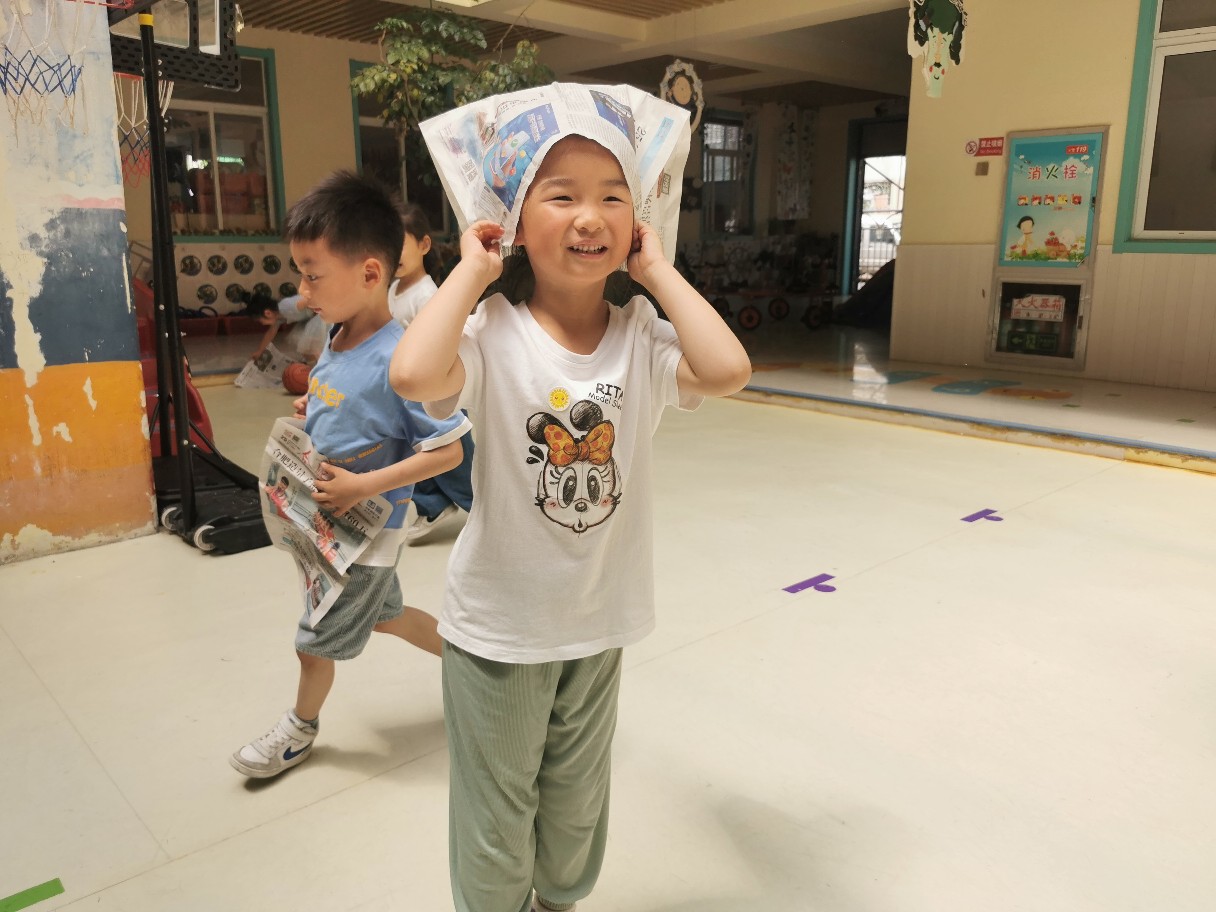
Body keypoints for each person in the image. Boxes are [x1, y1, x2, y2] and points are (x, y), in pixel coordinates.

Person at [390, 131, 752, 912]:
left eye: (612, 197)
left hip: (598, 622)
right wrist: (473, 269)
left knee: (577, 799)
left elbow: (728, 370)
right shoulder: (492, 331)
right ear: (517, 223)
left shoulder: (641, 336)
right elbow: (414, 376)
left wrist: (656, 271)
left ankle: (558, 900)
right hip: (499, 631)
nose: (591, 216)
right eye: (562, 195)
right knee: (496, 810)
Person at [230, 171, 472, 780]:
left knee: (313, 641)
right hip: (331, 524)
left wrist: (364, 485)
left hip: (367, 532)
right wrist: (316, 408)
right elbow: (352, 404)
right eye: (301, 274)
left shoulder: (404, 358)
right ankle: (476, 666)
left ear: (368, 273)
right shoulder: (340, 338)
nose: (302, 291)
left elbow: (448, 452)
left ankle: (299, 730)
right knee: (389, 616)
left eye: (313, 276)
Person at [389, 202, 475, 545]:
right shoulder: (393, 290)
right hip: (407, 395)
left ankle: (481, 506)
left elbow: (443, 342)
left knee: (455, 456)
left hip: (435, 394)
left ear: (423, 245)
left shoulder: (426, 295)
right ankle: (433, 504)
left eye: (399, 244)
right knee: (416, 451)